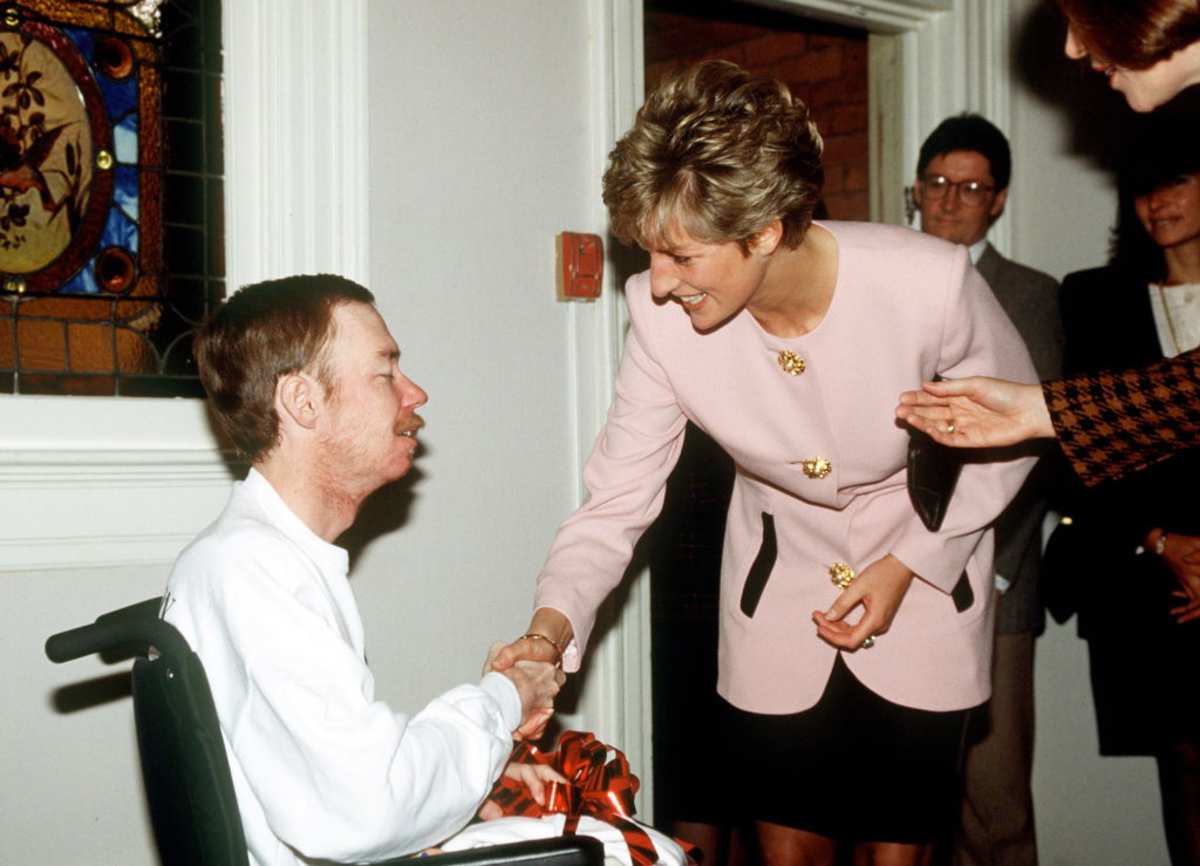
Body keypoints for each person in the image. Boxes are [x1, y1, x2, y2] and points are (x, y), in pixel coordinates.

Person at [493, 61, 1038, 866]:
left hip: (925, 588)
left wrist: (917, 560)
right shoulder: (657, 316)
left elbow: (1017, 430)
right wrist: (547, 631)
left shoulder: (928, 281)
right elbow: (615, 502)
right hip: (775, 604)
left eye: (682, 256)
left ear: (766, 230)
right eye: (650, 254)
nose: (659, 282)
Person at [160, 275, 565, 866]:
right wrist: (505, 697)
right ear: (303, 402)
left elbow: (331, 784)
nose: (416, 393)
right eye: (386, 373)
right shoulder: (253, 570)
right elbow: (367, 810)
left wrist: (467, 791)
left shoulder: (258, 559)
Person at [894, 0, 1200, 483]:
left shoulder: (1032, 292)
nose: (1072, 46)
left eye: (1083, 16)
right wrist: (1039, 411)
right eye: (936, 184)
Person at [913, 114, 1062, 866]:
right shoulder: (884, 278)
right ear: (915, 189)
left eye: (970, 188)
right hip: (892, 575)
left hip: (993, 578)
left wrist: (994, 561)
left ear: (997, 201)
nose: (950, 201)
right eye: (937, 184)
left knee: (994, 801)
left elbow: (1040, 443)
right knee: (908, 807)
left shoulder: (1029, 293)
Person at [1052, 134, 1200, 866]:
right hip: (1145, 571)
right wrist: (1163, 543)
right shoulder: (1095, 297)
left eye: (1175, 180)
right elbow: (1075, 451)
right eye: (1144, 188)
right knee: (1185, 763)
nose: (1158, 203)